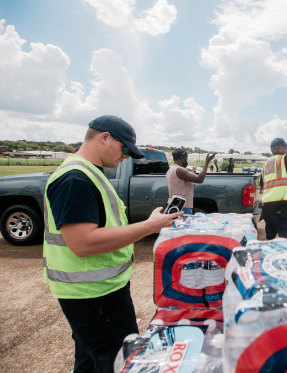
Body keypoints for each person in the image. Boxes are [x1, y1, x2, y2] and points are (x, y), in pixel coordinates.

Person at [43, 115, 183, 373]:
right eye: (125, 149)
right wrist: (150, 227)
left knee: (89, 360)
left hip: (96, 291)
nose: (127, 156)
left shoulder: (90, 173)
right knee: (117, 362)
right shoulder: (75, 179)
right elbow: (82, 243)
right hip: (94, 297)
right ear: (104, 137)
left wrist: (149, 222)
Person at [166, 149, 216, 214]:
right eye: (186, 158)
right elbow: (200, 179)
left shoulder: (171, 169)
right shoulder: (180, 170)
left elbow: (181, 183)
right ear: (181, 158)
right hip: (183, 207)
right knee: (184, 224)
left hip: (174, 205)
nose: (186, 161)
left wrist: (191, 174)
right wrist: (207, 162)